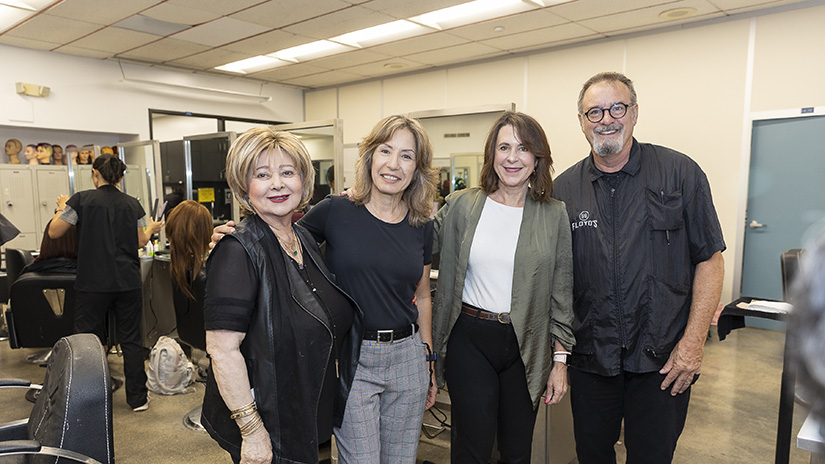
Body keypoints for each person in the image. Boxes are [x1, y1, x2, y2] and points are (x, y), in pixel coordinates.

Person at [213, 114, 439, 463]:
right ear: (369, 157)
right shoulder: (335, 210)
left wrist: (427, 359)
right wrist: (228, 238)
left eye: (407, 155)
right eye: (385, 151)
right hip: (353, 357)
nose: (394, 164)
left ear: (417, 167)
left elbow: (422, 295)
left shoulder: (421, 224)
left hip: (407, 355)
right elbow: (269, 238)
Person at [552, 71, 726, 464]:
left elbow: (710, 260)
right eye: (593, 112)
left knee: (652, 456)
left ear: (634, 113)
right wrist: (560, 356)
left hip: (664, 360)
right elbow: (557, 282)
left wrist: (693, 344)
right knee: (592, 455)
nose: (606, 119)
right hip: (592, 360)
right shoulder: (564, 191)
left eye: (617, 107)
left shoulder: (680, 173)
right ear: (581, 122)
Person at [201, 128, 363, 464]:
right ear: (244, 186)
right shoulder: (237, 249)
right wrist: (252, 430)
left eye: (287, 172)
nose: (277, 184)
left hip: (305, 412)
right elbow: (222, 349)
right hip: (268, 422)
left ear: (303, 180)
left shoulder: (302, 238)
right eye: (262, 175)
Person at [431, 111, 575, 463]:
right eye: (504, 147)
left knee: (516, 448)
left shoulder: (554, 214)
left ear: (537, 157)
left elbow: (562, 291)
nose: (512, 158)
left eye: (523, 148)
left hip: (526, 342)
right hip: (470, 336)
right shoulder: (462, 205)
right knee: (472, 446)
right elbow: (412, 239)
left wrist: (560, 362)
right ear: (491, 155)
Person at [48, 153, 163, 412]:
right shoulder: (134, 205)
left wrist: (61, 207)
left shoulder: (80, 201)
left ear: (94, 173)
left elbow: (55, 232)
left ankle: (86, 398)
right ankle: (138, 399)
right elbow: (141, 242)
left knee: (86, 341)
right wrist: (150, 231)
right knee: (131, 340)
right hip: (127, 282)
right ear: (121, 177)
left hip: (93, 283)